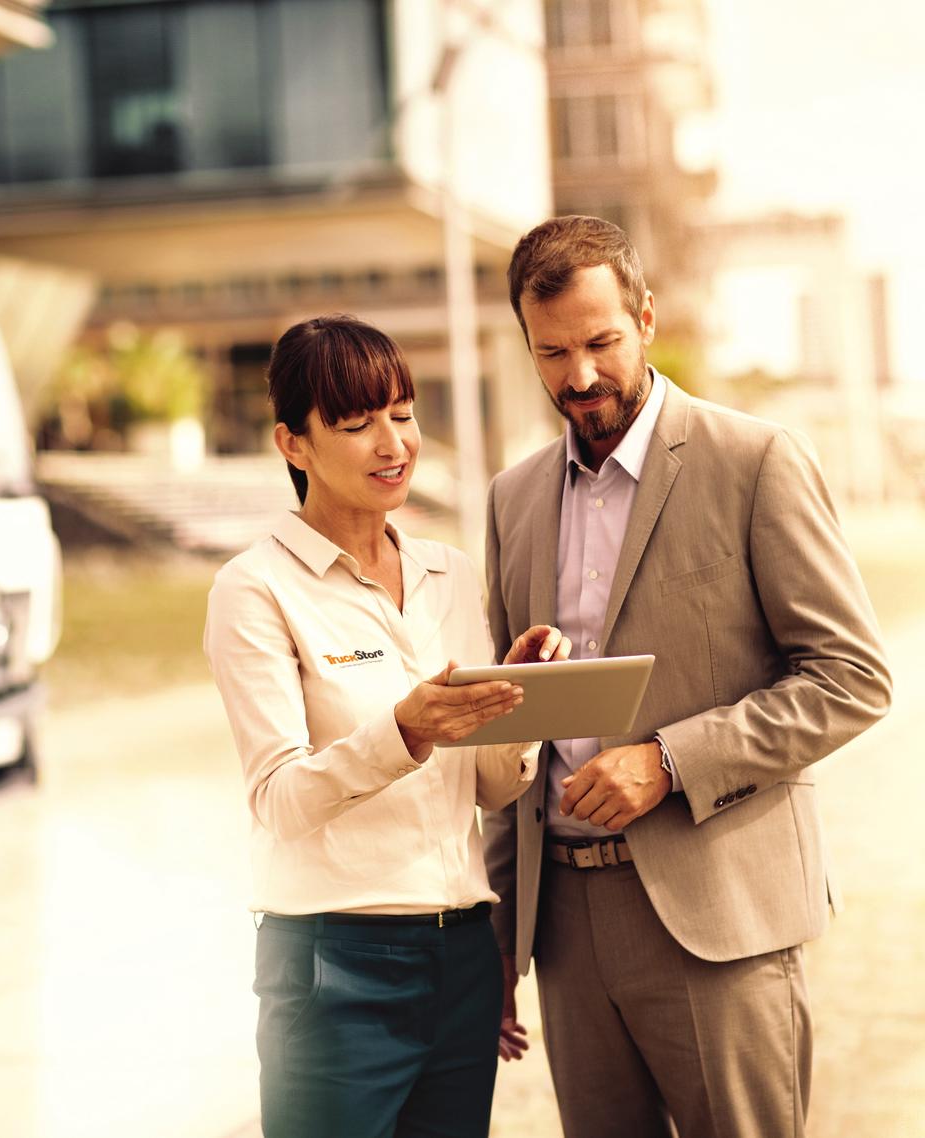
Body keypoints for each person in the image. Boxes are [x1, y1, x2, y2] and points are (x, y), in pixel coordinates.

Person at [482, 216, 893, 1138]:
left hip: (721, 920)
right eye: (552, 353)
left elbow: (851, 675)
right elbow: (516, 734)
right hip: (569, 936)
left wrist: (669, 761)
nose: (579, 377)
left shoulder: (756, 462)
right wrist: (501, 941)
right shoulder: (510, 502)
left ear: (647, 317)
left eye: (600, 342)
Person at [203, 314, 569, 1138]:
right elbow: (279, 799)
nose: (392, 442)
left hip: (464, 957)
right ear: (293, 444)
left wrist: (520, 705)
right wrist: (403, 732)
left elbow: (491, 785)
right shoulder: (255, 589)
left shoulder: (448, 571)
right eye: (356, 422)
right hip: (336, 967)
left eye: (401, 413)